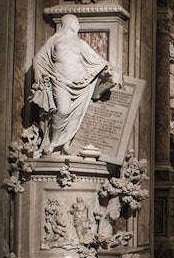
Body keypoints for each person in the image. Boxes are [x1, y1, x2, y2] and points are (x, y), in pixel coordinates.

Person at [31, 14, 118, 155]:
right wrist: (36, 72)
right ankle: (53, 143)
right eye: (75, 22)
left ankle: (66, 144)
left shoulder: (81, 44)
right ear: (68, 23)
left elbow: (97, 60)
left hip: (80, 85)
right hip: (60, 81)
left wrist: (110, 68)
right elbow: (38, 58)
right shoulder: (55, 40)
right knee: (62, 111)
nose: (77, 25)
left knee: (76, 114)